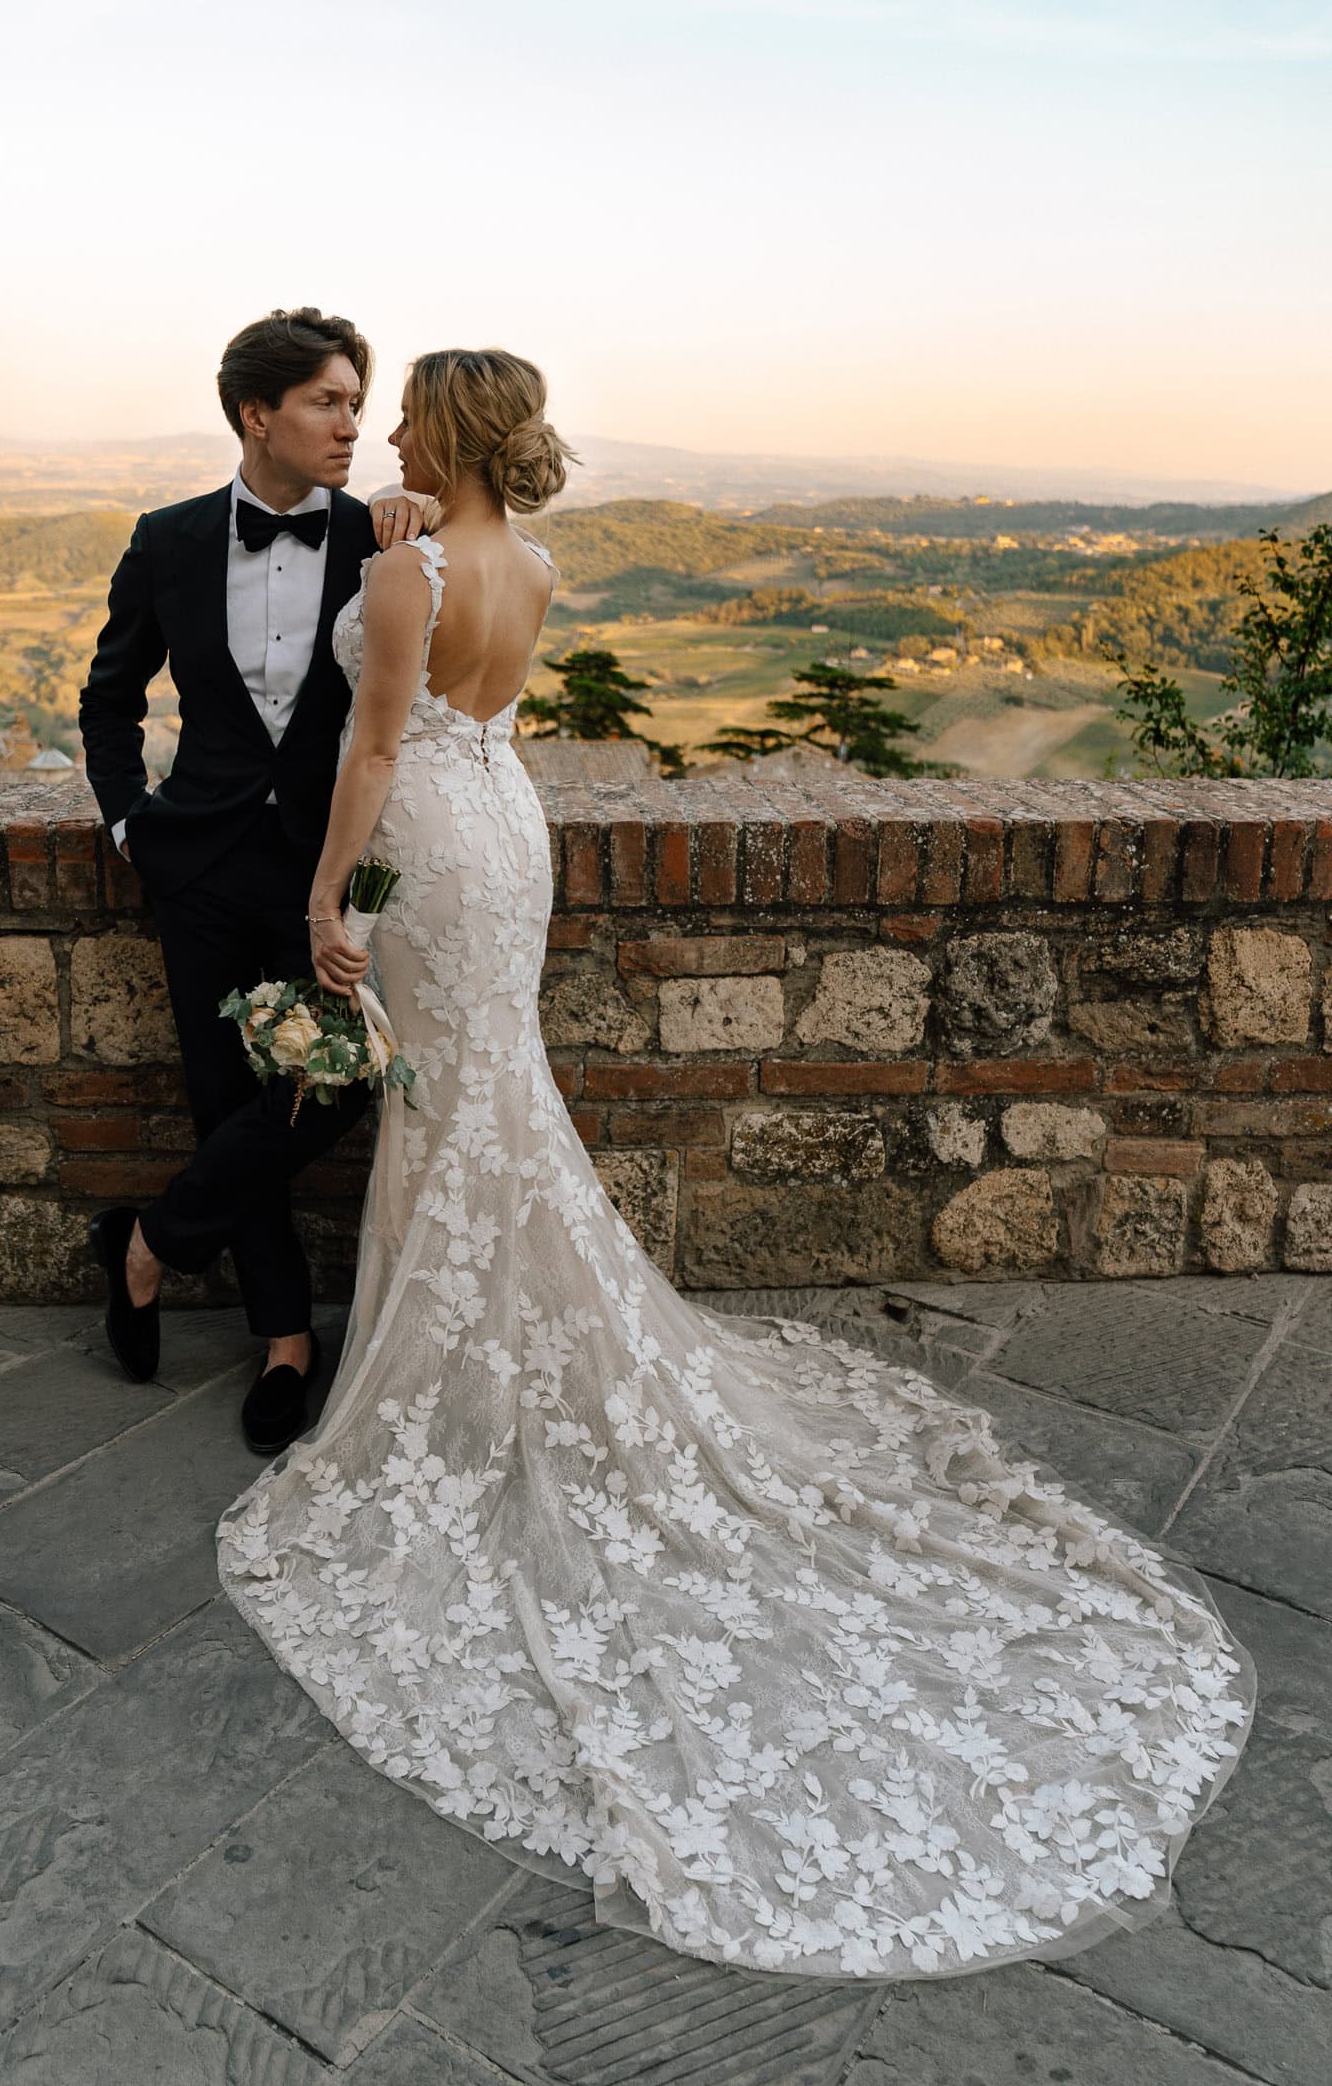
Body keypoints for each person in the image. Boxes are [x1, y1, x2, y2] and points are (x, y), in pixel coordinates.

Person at [115, 347, 1255, 1981]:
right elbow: (471, 706)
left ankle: (421, 1365)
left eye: (415, 406)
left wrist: (320, 904)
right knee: (478, 1101)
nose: (398, 428)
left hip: (423, 852)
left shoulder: (407, 567)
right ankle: (476, 1355)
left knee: (428, 1104)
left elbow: (371, 753)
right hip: (512, 836)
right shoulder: (532, 561)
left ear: (447, 427)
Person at [77, 307, 436, 1451]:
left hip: (319, 871)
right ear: (255, 414)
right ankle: (285, 1341)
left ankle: (149, 1243)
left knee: (331, 1082)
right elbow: (109, 696)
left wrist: (431, 515)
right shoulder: (171, 538)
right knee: (228, 1102)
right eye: (328, 403)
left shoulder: (381, 538)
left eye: (355, 403)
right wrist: (129, 821)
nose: (351, 427)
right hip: (196, 865)